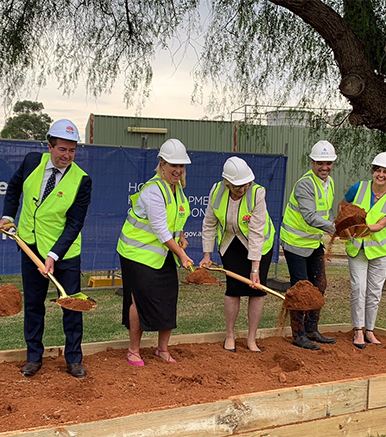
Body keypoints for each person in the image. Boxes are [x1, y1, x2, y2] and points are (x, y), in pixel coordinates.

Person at [0, 119, 92, 379]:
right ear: (49, 146)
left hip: (64, 253)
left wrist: (53, 255)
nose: (67, 156)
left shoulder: (82, 180)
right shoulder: (31, 162)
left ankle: (73, 359)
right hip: (30, 246)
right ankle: (33, 357)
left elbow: (74, 224)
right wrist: (8, 216)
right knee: (34, 304)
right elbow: (15, 188)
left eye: (72, 151)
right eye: (62, 149)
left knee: (72, 307)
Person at [117, 139, 193, 366]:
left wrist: (181, 235)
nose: (178, 170)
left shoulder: (177, 189)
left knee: (169, 298)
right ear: (162, 164)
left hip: (161, 255)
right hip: (135, 254)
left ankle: (162, 349)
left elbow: (177, 217)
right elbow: (160, 229)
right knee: (139, 300)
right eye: (173, 165)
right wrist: (181, 254)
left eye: (181, 166)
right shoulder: (153, 190)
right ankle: (133, 350)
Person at [200, 157, 275, 353]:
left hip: (259, 246)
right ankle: (230, 335)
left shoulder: (257, 194)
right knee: (233, 289)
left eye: (246, 184)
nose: (242, 189)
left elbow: (257, 233)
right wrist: (206, 255)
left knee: (256, 289)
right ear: (227, 183)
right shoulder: (216, 192)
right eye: (237, 186)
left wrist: (255, 268)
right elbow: (209, 224)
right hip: (231, 243)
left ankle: (252, 339)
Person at [338, 152, 386, 348]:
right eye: (378, 170)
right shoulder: (359, 188)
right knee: (359, 288)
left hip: (380, 250)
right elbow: (343, 206)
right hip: (357, 247)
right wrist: (345, 225)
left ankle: (370, 330)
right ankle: (358, 330)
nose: (381, 175)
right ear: (373, 171)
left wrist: (360, 227)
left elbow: (382, 224)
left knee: (375, 291)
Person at [280, 140, 337, 351]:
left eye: (328, 163)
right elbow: (311, 217)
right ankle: (298, 334)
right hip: (295, 243)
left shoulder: (329, 183)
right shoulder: (305, 184)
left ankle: (312, 329)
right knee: (301, 288)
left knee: (320, 285)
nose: (325, 167)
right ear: (312, 162)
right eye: (320, 163)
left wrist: (332, 225)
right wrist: (335, 228)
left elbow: (325, 211)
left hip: (313, 243)